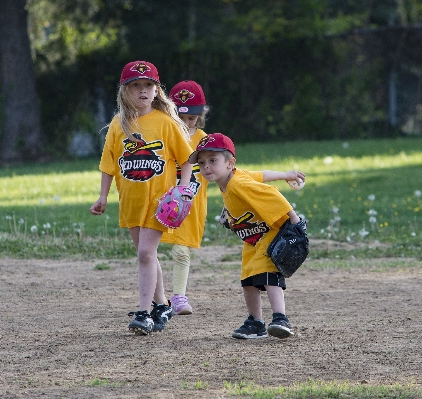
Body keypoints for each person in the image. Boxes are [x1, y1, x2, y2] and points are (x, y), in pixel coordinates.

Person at [90, 61, 194, 335]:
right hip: (131, 202)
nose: (142, 90)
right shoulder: (118, 124)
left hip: (160, 203)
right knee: (146, 255)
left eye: (148, 85)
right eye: (135, 86)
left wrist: (183, 190)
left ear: (158, 90)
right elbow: (108, 164)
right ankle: (162, 306)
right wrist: (103, 196)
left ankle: (144, 312)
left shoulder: (166, 123)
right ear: (124, 92)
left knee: (146, 253)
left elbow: (186, 161)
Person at [189, 133, 306, 339]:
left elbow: (272, 194)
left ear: (230, 163)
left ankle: (280, 318)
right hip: (253, 237)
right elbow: (261, 174)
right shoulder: (233, 177)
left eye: (213, 160)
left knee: (268, 274)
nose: (206, 166)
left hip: (272, 233)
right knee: (248, 278)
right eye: (202, 162)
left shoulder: (238, 184)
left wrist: (296, 224)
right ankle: (255, 323)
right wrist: (286, 174)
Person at [160, 80, 210, 315]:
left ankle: (178, 297)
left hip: (190, 205)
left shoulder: (203, 140)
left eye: (192, 119)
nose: (187, 123)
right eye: (182, 118)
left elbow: (218, 170)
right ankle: (157, 294)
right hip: (162, 202)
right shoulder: (164, 134)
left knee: (181, 251)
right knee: (149, 250)